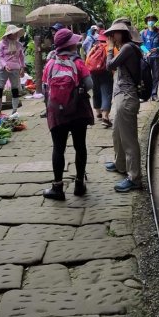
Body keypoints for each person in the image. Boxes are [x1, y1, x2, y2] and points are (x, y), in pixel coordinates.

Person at [42, 28, 94, 200]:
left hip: (57, 112)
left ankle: (57, 188)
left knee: (58, 148)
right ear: (70, 44)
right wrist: (74, 93)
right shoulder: (78, 62)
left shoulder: (49, 64)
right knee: (80, 146)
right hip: (78, 111)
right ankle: (79, 184)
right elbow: (89, 84)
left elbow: (45, 88)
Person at [104, 22, 142, 193]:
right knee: (117, 133)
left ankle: (134, 178)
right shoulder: (126, 48)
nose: (110, 38)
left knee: (129, 140)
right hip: (121, 97)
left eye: (113, 34)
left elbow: (109, 65)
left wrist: (110, 49)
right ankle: (120, 165)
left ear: (121, 34)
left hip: (127, 98)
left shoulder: (127, 48)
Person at [0, 24, 25, 116]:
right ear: (9, 34)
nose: (16, 34)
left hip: (15, 68)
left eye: (16, 33)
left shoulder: (19, 44)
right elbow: (0, 56)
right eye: (14, 33)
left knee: (15, 88)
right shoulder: (2, 43)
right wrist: (4, 65)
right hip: (4, 69)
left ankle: (14, 110)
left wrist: (22, 67)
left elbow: (21, 57)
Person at [88, 30, 114, 127]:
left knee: (96, 92)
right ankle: (105, 117)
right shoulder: (110, 47)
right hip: (106, 73)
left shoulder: (95, 47)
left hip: (93, 73)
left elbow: (87, 61)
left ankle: (98, 113)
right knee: (106, 94)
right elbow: (114, 63)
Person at [40, 22, 64, 118]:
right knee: (45, 88)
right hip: (52, 71)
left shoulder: (67, 43)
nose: (54, 34)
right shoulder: (54, 45)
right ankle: (48, 109)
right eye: (53, 32)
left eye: (56, 32)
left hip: (62, 71)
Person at [141, 13, 159, 101]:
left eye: (152, 20)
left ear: (155, 21)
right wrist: (146, 51)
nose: (150, 22)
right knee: (145, 77)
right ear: (146, 22)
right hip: (146, 58)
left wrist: (158, 48)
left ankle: (154, 95)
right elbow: (141, 44)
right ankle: (145, 96)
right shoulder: (143, 33)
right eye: (149, 20)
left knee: (156, 76)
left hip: (157, 57)